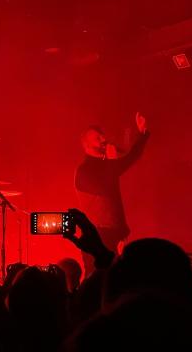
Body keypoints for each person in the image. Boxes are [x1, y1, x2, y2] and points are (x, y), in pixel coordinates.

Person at [74, 112, 149, 275]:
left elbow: (131, 158)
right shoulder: (84, 171)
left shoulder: (108, 166)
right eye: (97, 138)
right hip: (96, 235)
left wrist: (142, 134)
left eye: (102, 136)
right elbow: (106, 186)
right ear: (86, 145)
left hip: (113, 234)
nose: (103, 140)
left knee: (116, 278)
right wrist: (113, 160)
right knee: (97, 278)